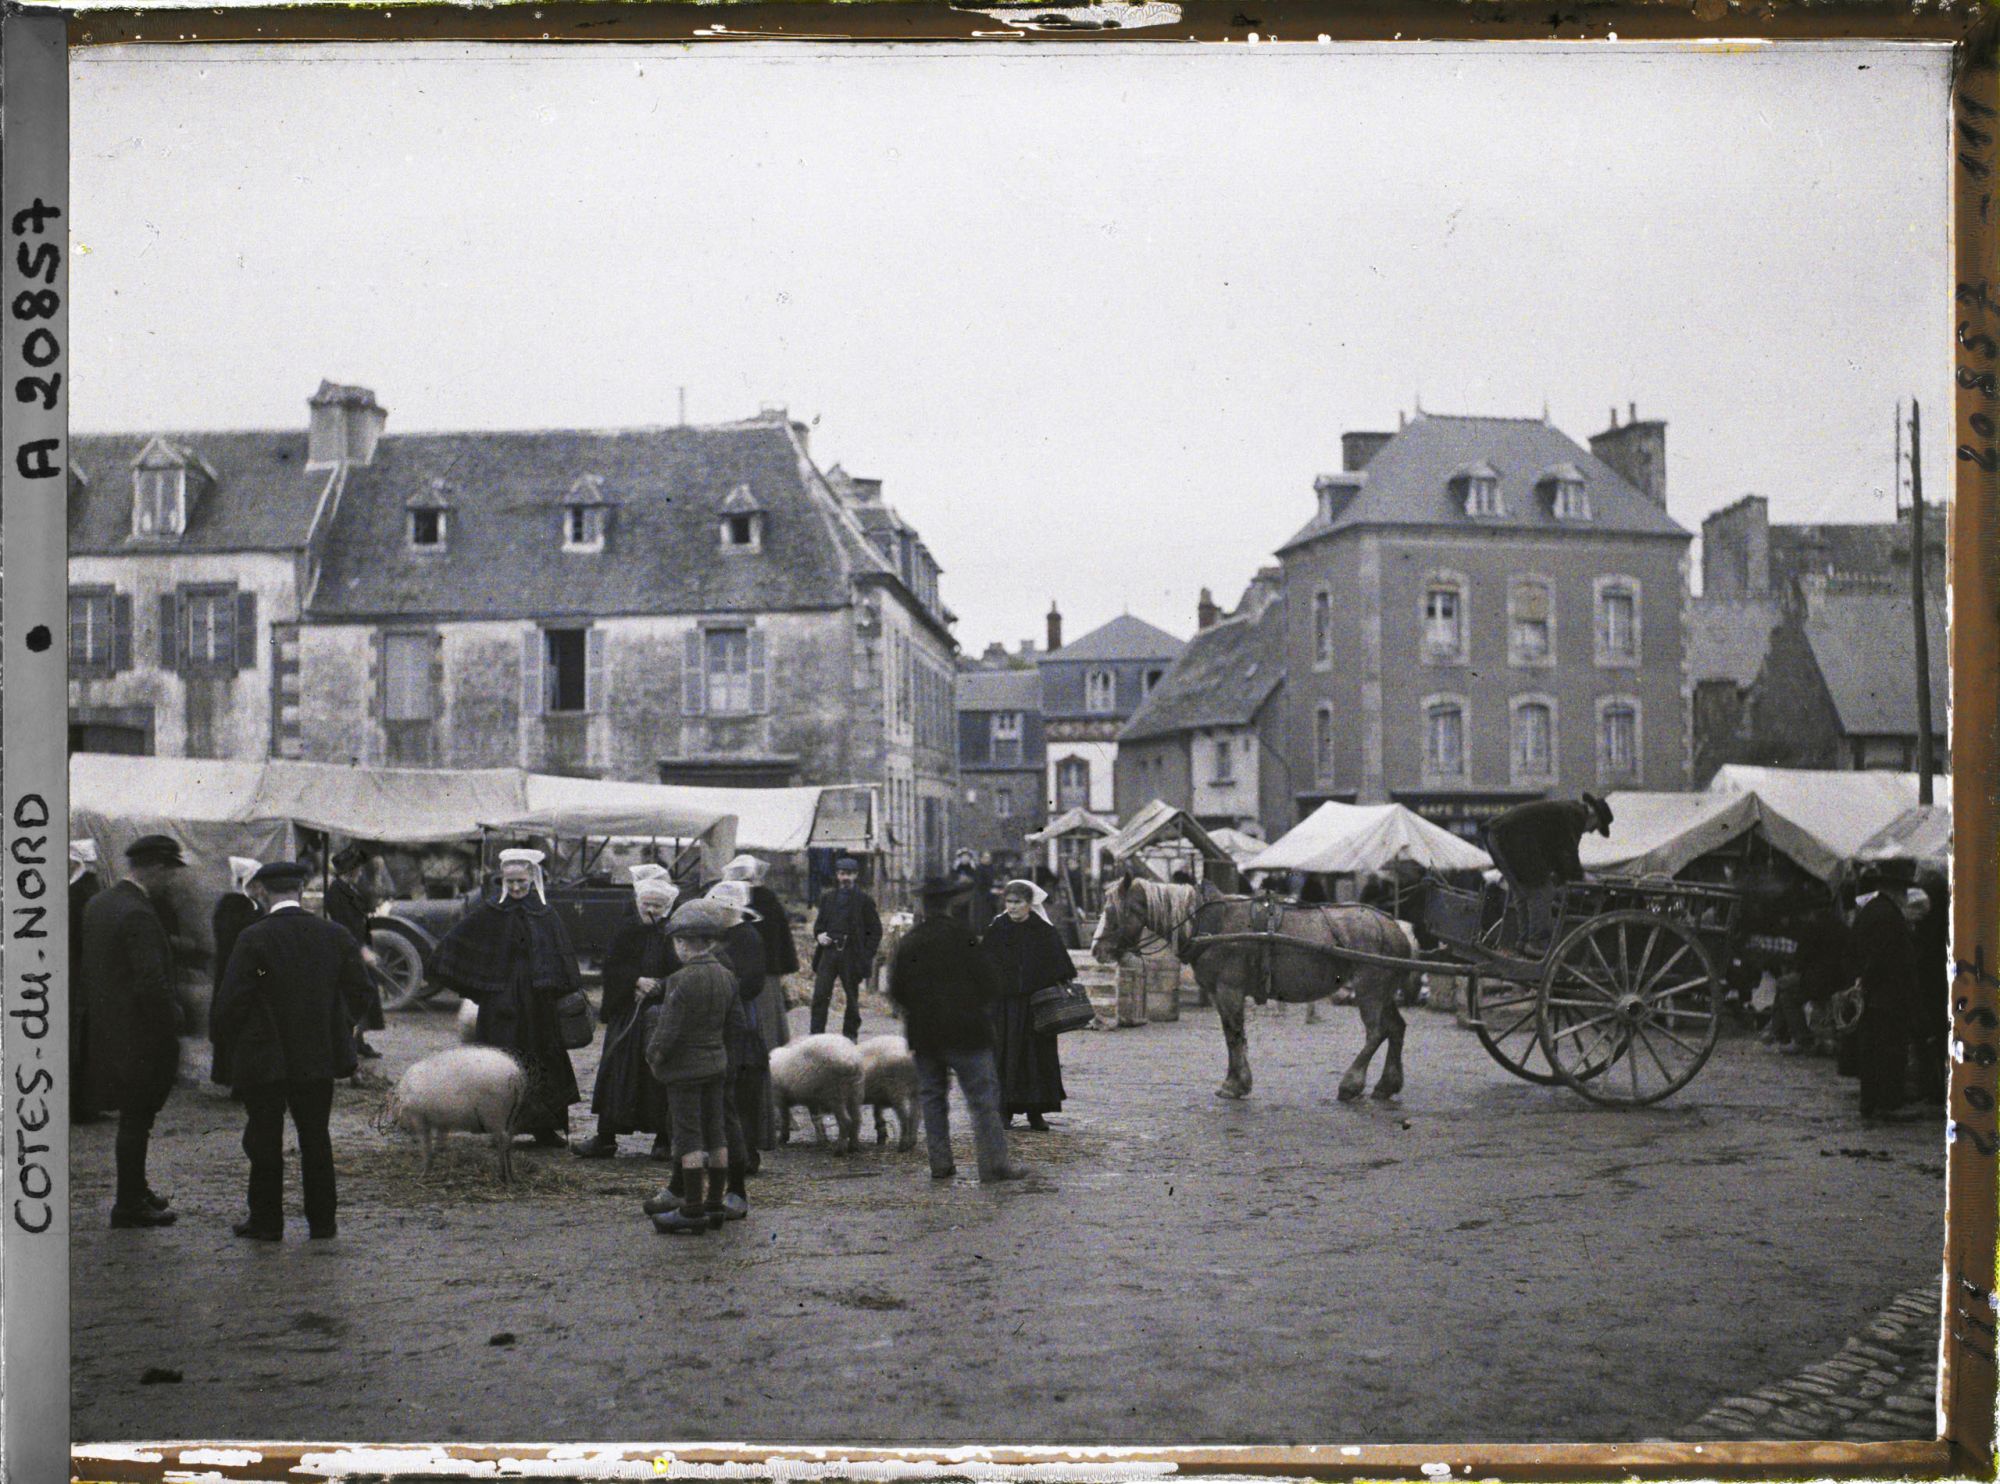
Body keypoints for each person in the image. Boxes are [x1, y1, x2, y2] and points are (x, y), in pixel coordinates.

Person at [212, 861, 368, 1241]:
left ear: (263, 892)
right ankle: (323, 1223)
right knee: (316, 1137)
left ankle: (267, 1223)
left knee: (265, 1139)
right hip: (317, 1057)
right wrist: (336, 1023)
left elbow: (232, 1000)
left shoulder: (253, 938)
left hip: (265, 1056)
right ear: (300, 890)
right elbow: (361, 992)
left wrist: (237, 1039)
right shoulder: (334, 935)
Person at [427, 847, 583, 1147]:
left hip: (538, 1004)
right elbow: (457, 939)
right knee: (500, 1060)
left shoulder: (545, 913)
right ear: (502, 881)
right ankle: (500, 1128)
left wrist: (561, 989)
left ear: (532, 879)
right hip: (501, 1003)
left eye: (521, 882)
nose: (516, 887)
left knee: (540, 1059)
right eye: (510, 882)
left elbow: (561, 954)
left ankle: (544, 1129)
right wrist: (448, 968)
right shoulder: (491, 912)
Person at [81, 835, 189, 1229]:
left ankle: (136, 1189)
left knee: (133, 1116)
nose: (172, 880)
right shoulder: (138, 912)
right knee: (136, 1118)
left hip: (108, 1030)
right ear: (156, 868)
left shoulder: (100, 903)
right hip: (140, 1035)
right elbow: (151, 982)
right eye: (170, 872)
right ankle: (128, 1203)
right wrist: (172, 1023)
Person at [890, 876, 1024, 1183]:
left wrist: (920, 1011)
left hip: (925, 1034)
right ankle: (994, 1167)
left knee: (932, 1099)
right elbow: (990, 982)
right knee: (982, 1101)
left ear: (922, 905)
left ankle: (940, 1164)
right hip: (967, 1032)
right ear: (950, 904)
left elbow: (897, 990)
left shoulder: (910, 941)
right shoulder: (963, 936)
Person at [646, 898, 745, 1235]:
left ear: (683, 943)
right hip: (716, 1066)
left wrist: (654, 1056)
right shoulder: (727, 976)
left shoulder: (681, 979)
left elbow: (668, 1030)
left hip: (685, 1072)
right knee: (717, 1134)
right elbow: (737, 1023)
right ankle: (715, 1204)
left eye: (677, 942)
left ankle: (691, 1209)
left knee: (688, 1137)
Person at [575, 869, 680, 1159]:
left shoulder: (673, 934)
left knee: (658, 1073)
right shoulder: (626, 930)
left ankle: (663, 1140)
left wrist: (660, 986)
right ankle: (606, 1138)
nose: (650, 910)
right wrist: (635, 980)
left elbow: (680, 970)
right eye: (646, 904)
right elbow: (612, 968)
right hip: (627, 1013)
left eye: (657, 905)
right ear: (637, 903)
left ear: (666, 907)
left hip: (660, 1015)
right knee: (616, 1071)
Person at [980, 879, 1073, 1131]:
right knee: (1006, 1055)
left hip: (1036, 1006)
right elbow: (984, 963)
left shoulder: (1042, 930)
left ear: (1029, 904)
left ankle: (1036, 1112)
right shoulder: (998, 927)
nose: (1012, 907)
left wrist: (1053, 981)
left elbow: (1060, 964)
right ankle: (1004, 1110)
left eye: (1018, 902)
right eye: (1009, 902)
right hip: (1006, 1006)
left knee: (1036, 1057)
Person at [1481, 793, 1615, 951]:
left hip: (1497, 835)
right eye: (1595, 827)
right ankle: (1537, 943)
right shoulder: (1575, 815)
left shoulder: (1567, 810)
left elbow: (1556, 854)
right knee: (1542, 891)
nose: (1591, 831)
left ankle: (1524, 941)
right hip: (1511, 838)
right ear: (1593, 815)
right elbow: (1568, 853)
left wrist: (1565, 874)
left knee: (1522, 893)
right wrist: (1583, 877)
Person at [709, 880, 769, 1194]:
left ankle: (747, 1153)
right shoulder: (724, 935)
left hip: (741, 1020)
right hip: (726, 1016)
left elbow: (753, 982)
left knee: (743, 1089)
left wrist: (724, 992)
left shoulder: (747, 936)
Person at [1847, 865, 1919, 1120]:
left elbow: (1856, 947)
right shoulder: (1889, 915)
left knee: (1872, 1050)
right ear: (1894, 889)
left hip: (1875, 992)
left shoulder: (1871, 909)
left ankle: (1871, 1102)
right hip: (1888, 992)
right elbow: (1883, 957)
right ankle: (1887, 1103)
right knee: (1888, 1050)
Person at [209, 857, 269, 1089]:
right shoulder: (234, 906)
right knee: (237, 1022)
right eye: (257, 883)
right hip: (235, 972)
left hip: (243, 973)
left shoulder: (249, 906)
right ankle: (236, 1079)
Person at [325, 845, 386, 1060]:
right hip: (347, 952)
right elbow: (345, 926)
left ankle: (358, 1040)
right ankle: (349, 1043)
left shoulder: (350, 889)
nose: (360, 872)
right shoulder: (336, 893)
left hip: (358, 948)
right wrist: (361, 949)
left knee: (364, 996)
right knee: (355, 997)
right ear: (349, 871)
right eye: (357, 868)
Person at [811, 856, 882, 1040]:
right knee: (820, 995)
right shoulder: (827, 898)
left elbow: (875, 931)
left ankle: (850, 1036)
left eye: (849, 874)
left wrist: (866, 955)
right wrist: (819, 935)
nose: (845, 878)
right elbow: (819, 925)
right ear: (837, 875)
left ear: (856, 875)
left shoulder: (864, 900)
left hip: (851, 954)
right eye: (842, 874)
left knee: (851, 998)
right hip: (829, 953)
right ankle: (816, 1037)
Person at [69, 839, 106, 1125]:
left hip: (79, 974)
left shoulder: (79, 893)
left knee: (80, 1039)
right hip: (83, 973)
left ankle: (81, 1104)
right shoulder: (89, 890)